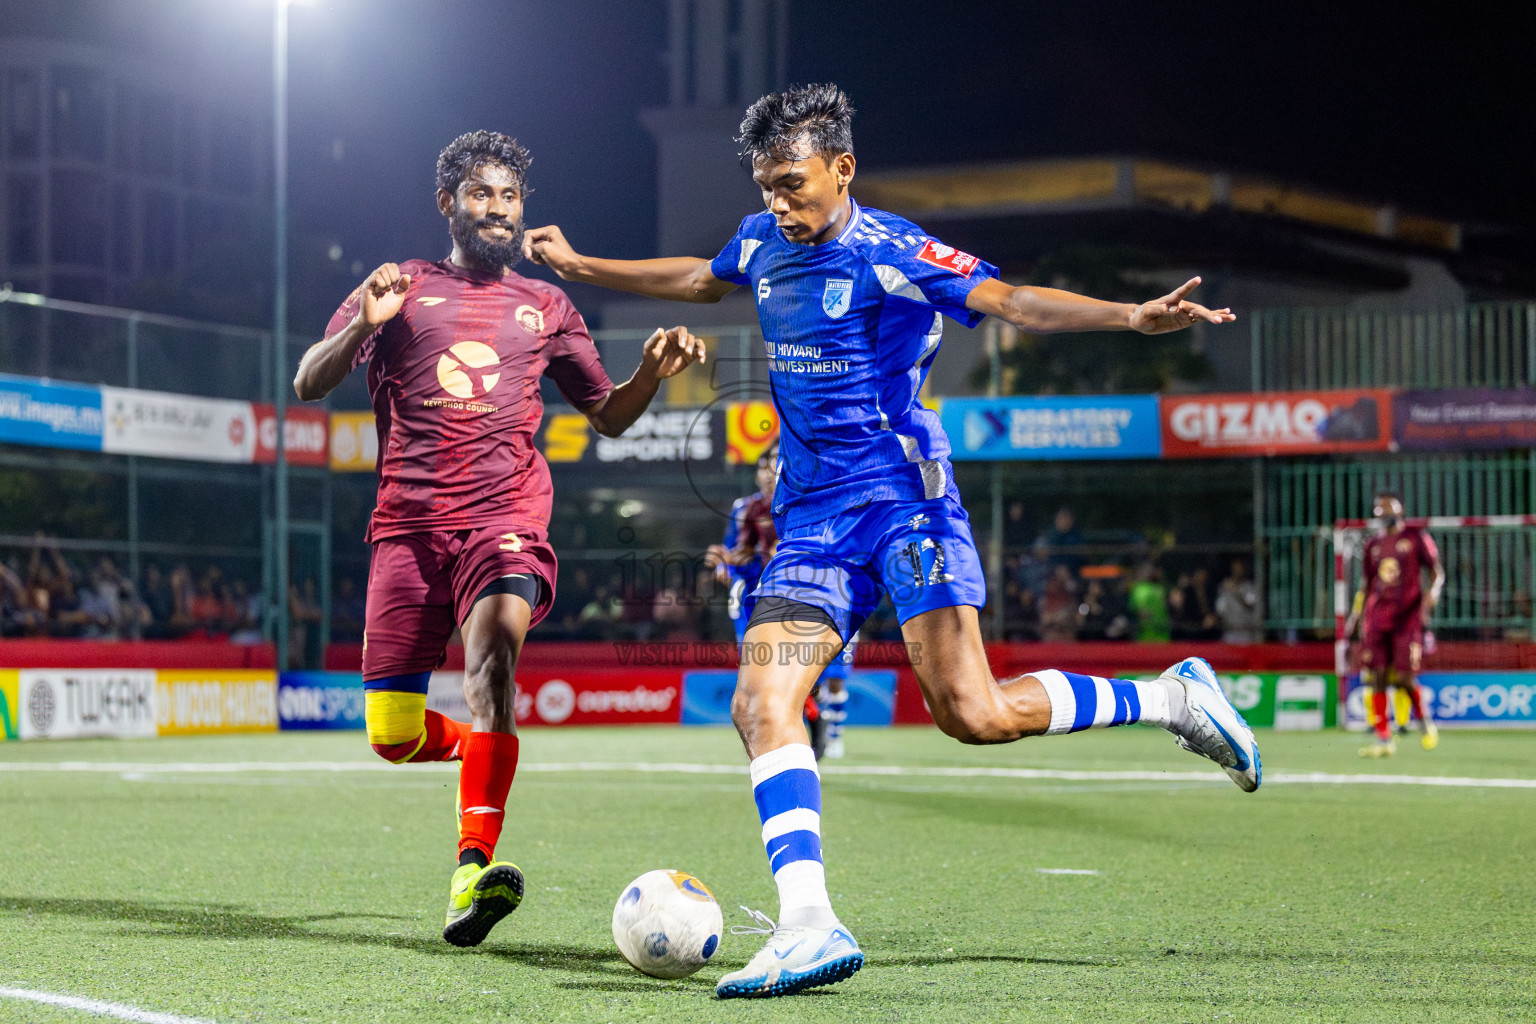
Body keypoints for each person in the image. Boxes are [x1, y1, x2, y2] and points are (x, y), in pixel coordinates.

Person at [525, 84, 1258, 999]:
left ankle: (1171, 699)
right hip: (810, 524)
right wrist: (582, 264)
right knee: (759, 702)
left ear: (844, 170)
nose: (779, 205)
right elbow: (701, 277)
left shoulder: (894, 251)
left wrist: (1129, 316)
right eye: (766, 189)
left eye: (793, 185)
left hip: (906, 505)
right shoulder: (761, 243)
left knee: (973, 714)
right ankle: (808, 924)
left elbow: (1014, 301)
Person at [293, 130, 704, 948]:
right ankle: (484, 749)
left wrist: (652, 374)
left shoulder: (547, 306)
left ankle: (472, 867)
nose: (499, 210)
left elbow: (609, 416)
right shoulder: (397, 285)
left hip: (506, 518)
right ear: (448, 203)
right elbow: (309, 381)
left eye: (510, 197)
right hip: (408, 529)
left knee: (494, 658)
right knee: (392, 736)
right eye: (481, 194)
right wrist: (359, 329)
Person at [1343, 491, 1445, 757]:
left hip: (1407, 618)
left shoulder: (1415, 537)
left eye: (1387, 511)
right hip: (1377, 618)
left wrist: (1432, 595)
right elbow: (1366, 584)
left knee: (1403, 678)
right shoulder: (1372, 545)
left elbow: (1437, 572)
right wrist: (1355, 618)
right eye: (1379, 511)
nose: (1383, 516)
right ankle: (1384, 738)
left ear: (1399, 511)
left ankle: (1423, 721)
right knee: (1375, 677)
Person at [1215, 560, 1261, 644]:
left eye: (1240, 568)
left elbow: (1250, 605)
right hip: (1229, 631)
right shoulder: (1224, 586)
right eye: (1235, 569)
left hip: (1246, 633)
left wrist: (1235, 592)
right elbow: (1220, 609)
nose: (1238, 571)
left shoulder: (1250, 587)